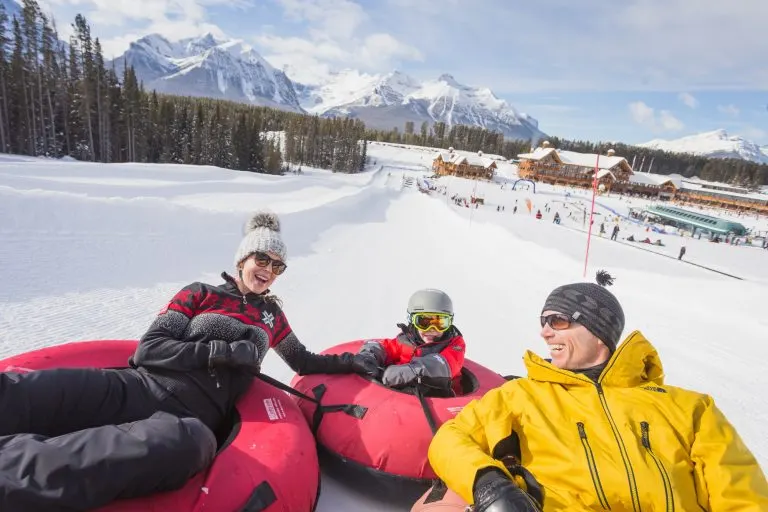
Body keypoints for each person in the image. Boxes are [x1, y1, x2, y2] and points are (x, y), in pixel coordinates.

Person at [0, 210, 372, 511]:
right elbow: (149, 350)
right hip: (138, 386)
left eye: (278, 267)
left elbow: (303, 361)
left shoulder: (271, 319)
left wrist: (355, 362)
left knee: (182, 446)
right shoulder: (200, 294)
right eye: (263, 259)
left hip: (188, 421)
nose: (269, 271)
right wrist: (221, 352)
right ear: (243, 257)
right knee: (26, 393)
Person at [427, 271, 768, 511]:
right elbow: (450, 438)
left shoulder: (691, 409)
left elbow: (742, 495)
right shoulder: (520, 396)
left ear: (598, 329)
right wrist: (488, 482)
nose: (545, 333)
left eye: (558, 320)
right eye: (542, 322)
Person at [354, 289, 466, 397]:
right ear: (411, 319)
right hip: (405, 400)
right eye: (424, 322)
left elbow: (445, 364)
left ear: (450, 322)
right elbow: (385, 347)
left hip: (442, 401)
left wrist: (411, 371)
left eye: (440, 323)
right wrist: (369, 355)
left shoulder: (455, 345)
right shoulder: (406, 341)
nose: (432, 329)